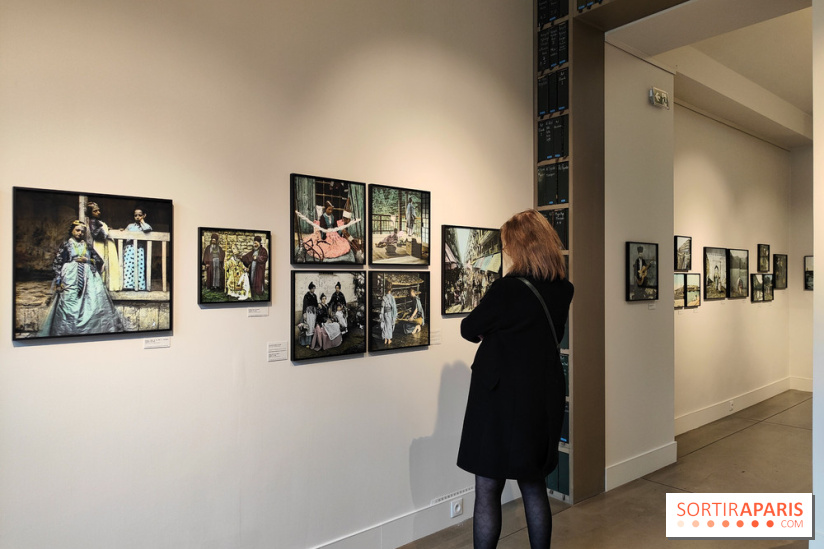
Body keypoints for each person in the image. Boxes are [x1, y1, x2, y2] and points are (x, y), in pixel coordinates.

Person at [457, 209, 573, 549]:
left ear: (521, 247)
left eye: (509, 245)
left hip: (499, 400)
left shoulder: (507, 289)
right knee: (533, 484)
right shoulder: (562, 289)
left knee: (488, 486)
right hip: (540, 397)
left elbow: (469, 329)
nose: (506, 252)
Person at [39, 221, 123, 337]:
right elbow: (57, 264)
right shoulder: (66, 245)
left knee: (93, 302)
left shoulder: (87, 246)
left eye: (82, 231)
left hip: (89, 279)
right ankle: (67, 331)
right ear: (72, 231)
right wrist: (59, 282)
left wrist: (87, 260)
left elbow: (99, 261)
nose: (80, 233)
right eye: (77, 230)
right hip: (70, 277)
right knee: (69, 302)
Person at [85, 201, 122, 291]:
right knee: (102, 263)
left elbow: (102, 229)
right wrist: (105, 231)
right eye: (95, 211)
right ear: (90, 213)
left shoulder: (97, 221)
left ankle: (109, 285)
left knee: (109, 263)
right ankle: (102, 285)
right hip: (100, 245)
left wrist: (110, 229)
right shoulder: (92, 222)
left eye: (98, 210)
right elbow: (97, 234)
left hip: (105, 244)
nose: (98, 212)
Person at [123, 208, 152, 291]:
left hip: (139, 249)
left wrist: (142, 221)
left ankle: (139, 286)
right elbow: (124, 234)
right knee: (129, 267)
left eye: (140, 215)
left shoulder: (145, 226)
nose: (137, 217)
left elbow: (148, 229)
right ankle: (128, 285)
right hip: (129, 249)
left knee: (139, 266)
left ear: (144, 215)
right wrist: (122, 231)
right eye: (135, 215)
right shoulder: (130, 226)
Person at [380, 281, 398, 345]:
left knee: (385, 325)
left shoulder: (384, 297)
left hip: (384, 313)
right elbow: (394, 308)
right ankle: (389, 339)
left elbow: (382, 307)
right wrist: (394, 316)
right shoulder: (392, 297)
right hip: (390, 313)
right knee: (389, 326)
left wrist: (381, 315)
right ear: (391, 289)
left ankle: (385, 339)